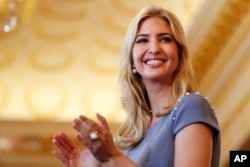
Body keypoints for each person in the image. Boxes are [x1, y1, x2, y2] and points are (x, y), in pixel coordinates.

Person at [52, 4, 220, 167]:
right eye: (142, 40)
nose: (154, 48)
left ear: (179, 54)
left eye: (165, 39)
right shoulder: (129, 139)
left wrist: (113, 157)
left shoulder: (191, 106)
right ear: (132, 59)